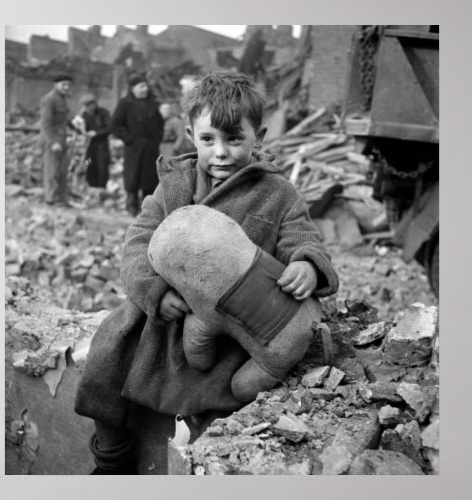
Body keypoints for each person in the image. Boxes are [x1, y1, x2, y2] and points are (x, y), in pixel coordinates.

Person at [74, 72, 339, 474]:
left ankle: (201, 458)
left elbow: (302, 237)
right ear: (189, 135)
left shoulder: (277, 193)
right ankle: (112, 457)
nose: (221, 153)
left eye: (235, 139)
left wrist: (306, 263)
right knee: (109, 354)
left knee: (221, 390)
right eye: (208, 139)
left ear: (259, 136)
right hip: (163, 316)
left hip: (228, 326)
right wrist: (154, 293)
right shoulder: (172, 186)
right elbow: (137, 243)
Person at [110, 73, 164, 217]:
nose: (145, 89)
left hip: (151, 147)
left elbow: (159, 123)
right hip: (134, 147)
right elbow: (115, 125)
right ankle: (131, 206)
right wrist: (130, 139)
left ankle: (148, 209)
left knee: (150, 178)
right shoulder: (125, 104)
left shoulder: (152, 103)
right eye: (141, 86)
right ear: (133, 88)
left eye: (146, 86)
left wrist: (157, 138)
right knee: (133, 177)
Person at [39, 74, 74, 206]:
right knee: (52, 170)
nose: (66, 87)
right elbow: (45, 124)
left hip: (63, 138)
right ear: (56, 84)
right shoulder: (49, 99)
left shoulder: (63, 99)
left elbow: (64, 120)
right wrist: (52, 142)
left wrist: (75, 127)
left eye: (68, 85)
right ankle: (51, 199)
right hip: (52, 140)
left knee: (62, 171)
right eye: (63, 84)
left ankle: (61, 199)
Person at [78, 94, 112, 188]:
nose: (88, 107)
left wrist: (96, 133)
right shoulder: (84, 115)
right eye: (86, 105)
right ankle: (90, 185)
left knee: (102, 167)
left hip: (101, 147)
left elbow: (109, 128)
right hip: (89, 147)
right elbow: (81, 129)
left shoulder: (103, 113)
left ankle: (102, 187)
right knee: (88, 165)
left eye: (90, 104)